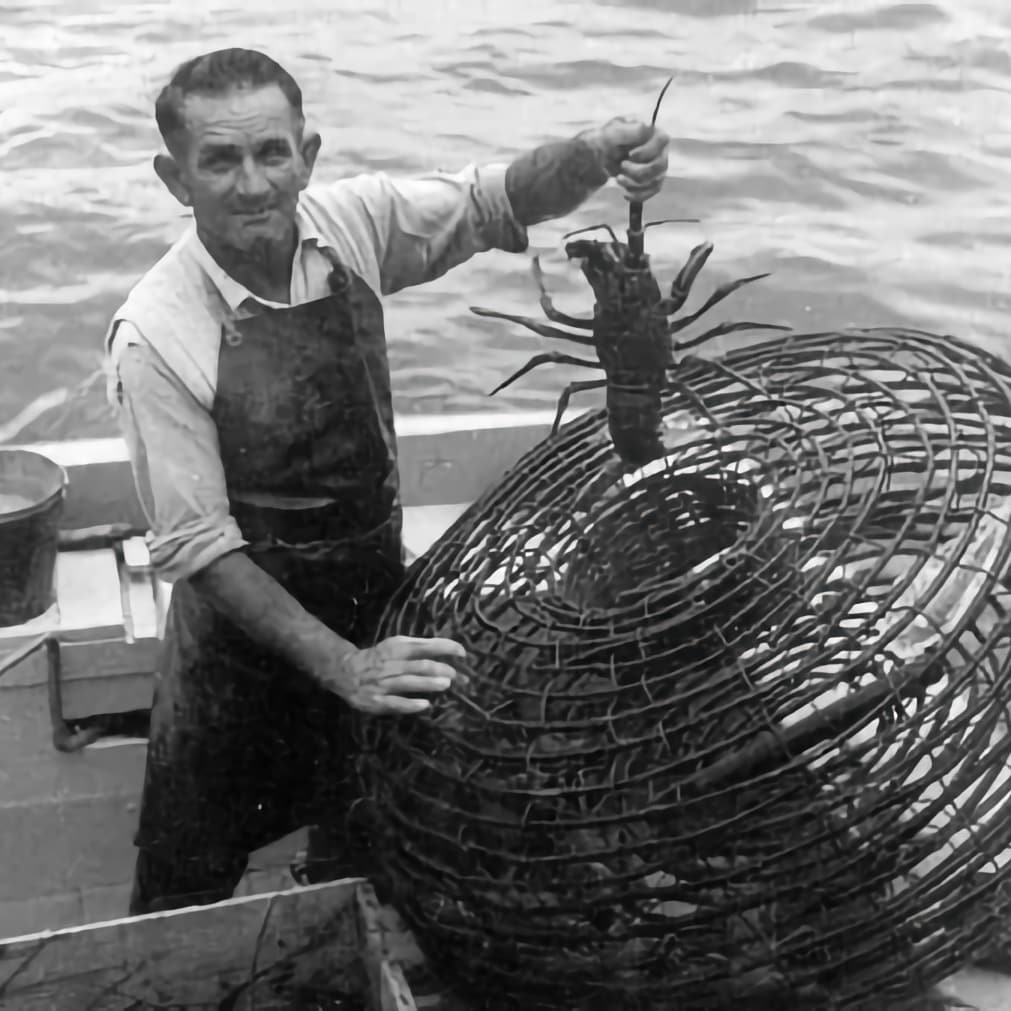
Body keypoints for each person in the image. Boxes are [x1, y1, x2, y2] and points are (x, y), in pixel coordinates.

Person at [104, 47, 671, 916]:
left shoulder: (352, 225)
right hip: (236, 659)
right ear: (173, 178)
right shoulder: (154, 330)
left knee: (375, 853)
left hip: (376, 608)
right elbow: (203, 549)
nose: (253, 184)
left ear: (309, 153)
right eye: (219, 160)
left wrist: (599, 151)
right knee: (181, 892)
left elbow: (498, 200)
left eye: (272, 153)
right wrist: (344, 667)